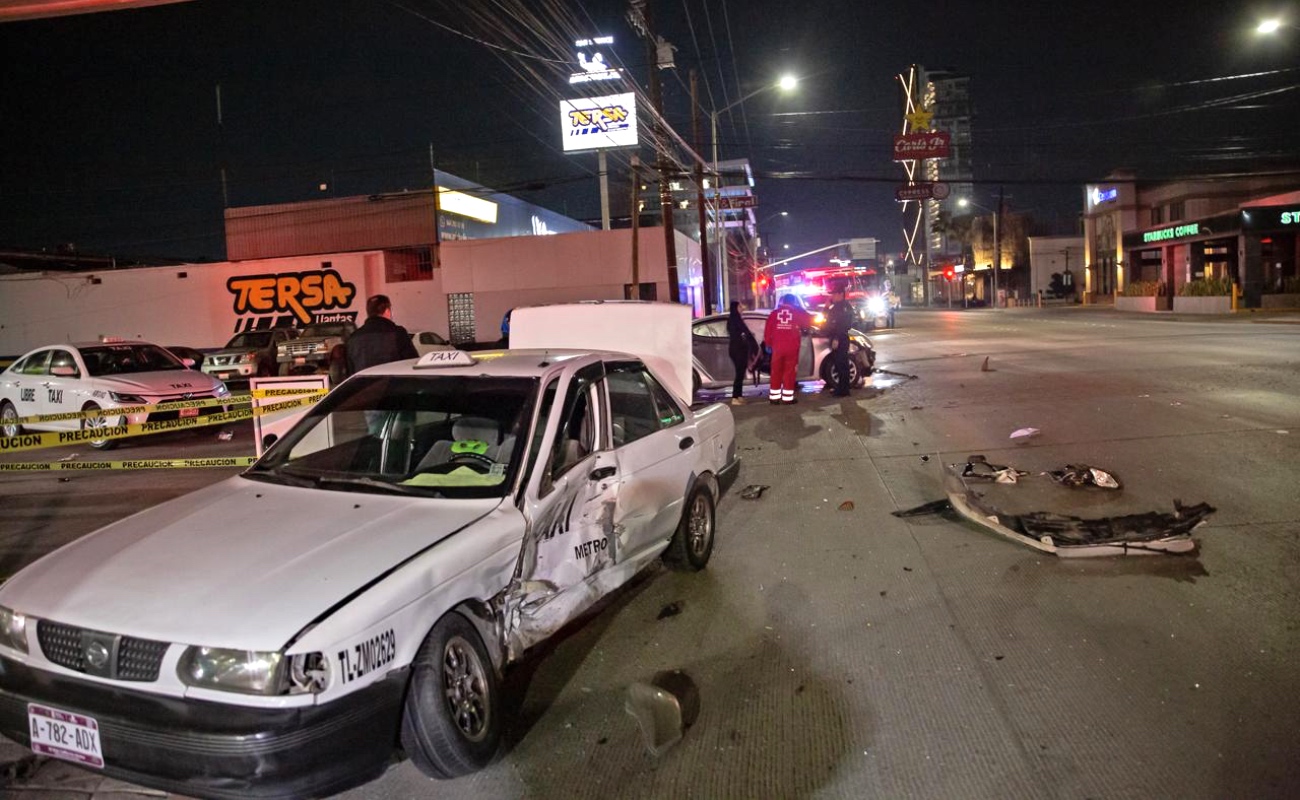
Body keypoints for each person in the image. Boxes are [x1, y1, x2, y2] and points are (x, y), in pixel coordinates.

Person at [346, 294, 419, 375]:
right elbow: (412, 363)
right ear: (387, 311)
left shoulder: (354, 337)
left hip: (363, 386)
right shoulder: (398, 333)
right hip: (393, 386)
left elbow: (350, 372)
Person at [763, 294, 812, 405]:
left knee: (776, 372)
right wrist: (800, 309)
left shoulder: (774, 314)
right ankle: (787, 398)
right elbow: (808, 322)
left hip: (777, 348)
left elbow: (768, 331)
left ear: (783, 301)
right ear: (793, 302)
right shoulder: (797, 313)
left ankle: (774, 398)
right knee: (789, 373)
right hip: (792, 348)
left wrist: (768, 344)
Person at [822, 284, 856, 397]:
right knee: (841, 364)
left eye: (835, 294)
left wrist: (836, 338)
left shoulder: (838, 308)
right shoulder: (847, 306)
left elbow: (834, 324)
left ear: (841, 294)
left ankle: (843, 390)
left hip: (839, 338)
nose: (833, 296)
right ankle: (843, 388)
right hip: (842, 337)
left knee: (841, 364)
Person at [726, 301, 759, 405]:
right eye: (739, 306)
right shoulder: (735, 320)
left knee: (740, 373)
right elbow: (744, 334)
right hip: (738, 350)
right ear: (735, 308)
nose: (742, 308)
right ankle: (735, 397)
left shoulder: (735, 319)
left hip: (737, 349)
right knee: (739, 373)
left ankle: (739, 396)